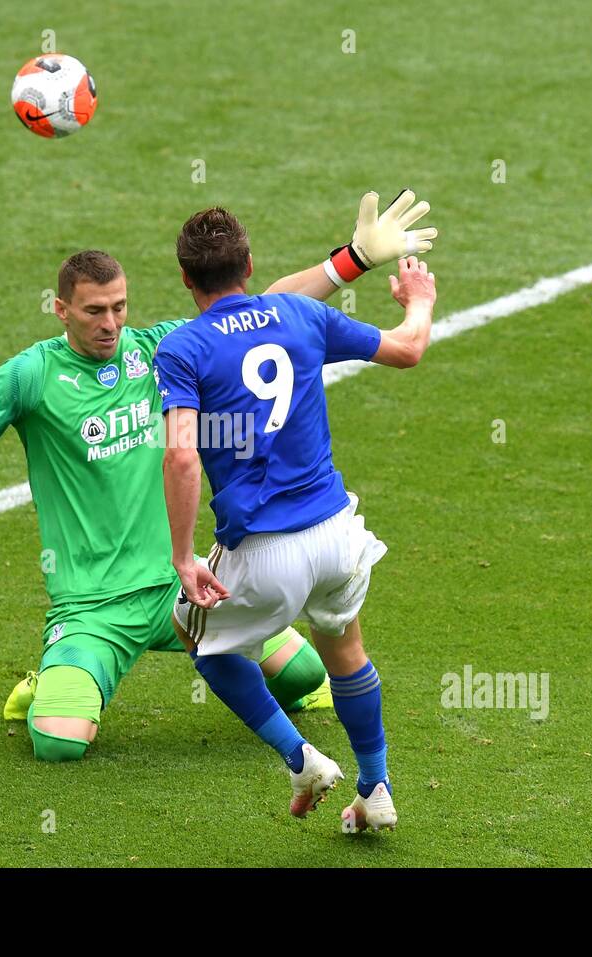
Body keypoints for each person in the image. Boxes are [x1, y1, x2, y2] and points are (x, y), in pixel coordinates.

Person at [0, 217, 396, 761]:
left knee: (304, 677)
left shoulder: (159, 352)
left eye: (119, 307)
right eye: (94, 311)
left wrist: (351, 259)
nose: (110, 323)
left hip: (180, 585)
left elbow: (263, 308)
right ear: (61, 309)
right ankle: (53, 676)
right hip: (94, 604)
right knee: (59, 745)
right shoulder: (31, 375)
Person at [153, 199, 437, 829]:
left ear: (183, 278)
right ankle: (376, 786)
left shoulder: (181, 349)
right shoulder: (300, 313)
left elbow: (180, 458)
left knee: (201, 640)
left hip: (264, 549)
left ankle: (300, 757)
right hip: (338, 533)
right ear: (249, 265)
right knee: (346, 651)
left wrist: (182, 557)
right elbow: (409, 350)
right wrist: (417, 296)